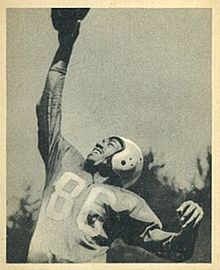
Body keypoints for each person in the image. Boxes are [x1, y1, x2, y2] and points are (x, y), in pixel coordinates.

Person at [28, 8, 204, 263]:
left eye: (111, 143)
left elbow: (174, 249)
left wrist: (191, 228)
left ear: (126, 160)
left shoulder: (128, 202)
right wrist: (65, 46)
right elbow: (48, 106)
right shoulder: (63, 160)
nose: (100, 142)